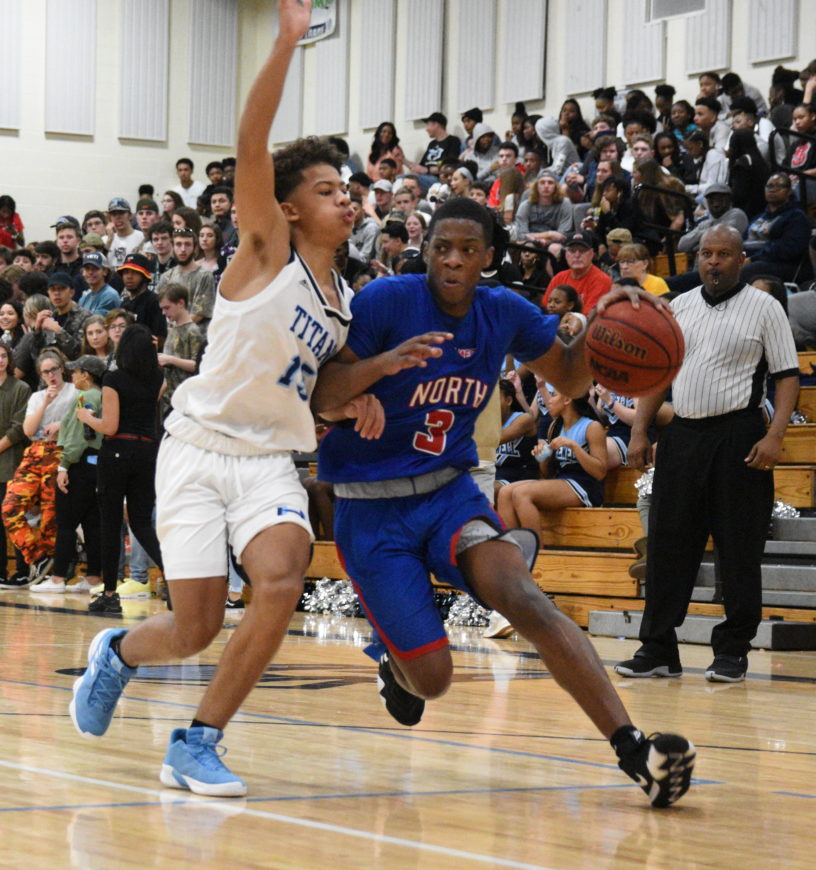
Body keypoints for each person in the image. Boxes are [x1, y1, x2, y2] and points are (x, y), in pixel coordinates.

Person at [70, 0, 397, 798]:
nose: (346, 199)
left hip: (268, 463)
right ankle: (117, 653)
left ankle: (198, 739)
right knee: (193, 628)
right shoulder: (265, 252)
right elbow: (251, 144)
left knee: (284, 578)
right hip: (197, 453)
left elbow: (318, 393)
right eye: (327, 189)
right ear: (287, 207)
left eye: (346, 188)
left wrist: (363, 388)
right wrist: (285, 41)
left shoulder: (343, 300)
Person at [313, 195, 695, 808]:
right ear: (426, 252)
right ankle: (397, 661)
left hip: (449, 493)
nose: (454, 261)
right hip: (370, 506)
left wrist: (605, 311)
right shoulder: (385, 301)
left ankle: (635, 751)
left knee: (526, 599)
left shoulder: (502, 310)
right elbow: (323, 395)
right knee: (432, 682)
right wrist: (385, 365)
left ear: (489, 257)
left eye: (468, 250)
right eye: (442, 249)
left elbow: (571, 378)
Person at [615, 226, 799, 684]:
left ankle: (733, 651)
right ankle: (658, 648)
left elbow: (788, 376)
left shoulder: (766, 307)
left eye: (722, 254)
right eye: (705, 254)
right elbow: (659, 375)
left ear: (741, 258)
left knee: (738, 549)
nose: (712, 261)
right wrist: (639, 429)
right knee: (667, 546)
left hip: (738, 434)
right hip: (682, 435)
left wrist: (775, 436)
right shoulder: (680, 307)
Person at [74, 325, 165, 612]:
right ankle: (177, 577)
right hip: (148, 451)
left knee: (111, 524)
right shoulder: (158, 378)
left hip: (117, 451)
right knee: (140, 522)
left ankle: (110, 595)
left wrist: (87, 417)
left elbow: (109, 425)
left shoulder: (114, 378)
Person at [30, 356, 104, 594]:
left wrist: (64, 465)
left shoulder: (85, 397)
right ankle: (93, 578)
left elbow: (78, 434)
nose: (72, 376)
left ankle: (57, 578)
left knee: (66, 523)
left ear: (86, 375)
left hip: (79, 464)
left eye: (76, 372)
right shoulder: (102, 395)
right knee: (92, 523)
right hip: (95, 465)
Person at [3, 349, 77, 584]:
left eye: (53, 370)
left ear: (61, 369)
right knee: (9, 507)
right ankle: (38, 557)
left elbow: (83, 422)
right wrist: (45, 402)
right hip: (35, 452)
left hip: (61, 452)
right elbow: (27, 430)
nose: (50, 375)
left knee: (50, 516)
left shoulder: (75, 392)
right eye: (45, 372)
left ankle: (53, 573)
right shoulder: (37, 397)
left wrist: (62, 423)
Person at [0, 343, 31, 588]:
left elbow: (19, 427)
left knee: (14, 519)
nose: (0, 360)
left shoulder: (21, 388)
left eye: (3, 356)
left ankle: (22, 571)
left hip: (11, 462)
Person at [156, 283, 202, 417]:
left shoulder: (192, 331)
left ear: (181, 303)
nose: (164, 313)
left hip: (185, 400)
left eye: (167, 308)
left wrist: (170, 359)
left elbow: (197, 365)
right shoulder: (172, 330)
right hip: (169, 399)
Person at [542, 230, 612, 313]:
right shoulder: (559, 278)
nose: (577, 255)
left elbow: (588, 316)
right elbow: (546, 306)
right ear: (566, 254)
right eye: (572, 251)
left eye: (582, 250)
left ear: (591, 254)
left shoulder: (602, 280)